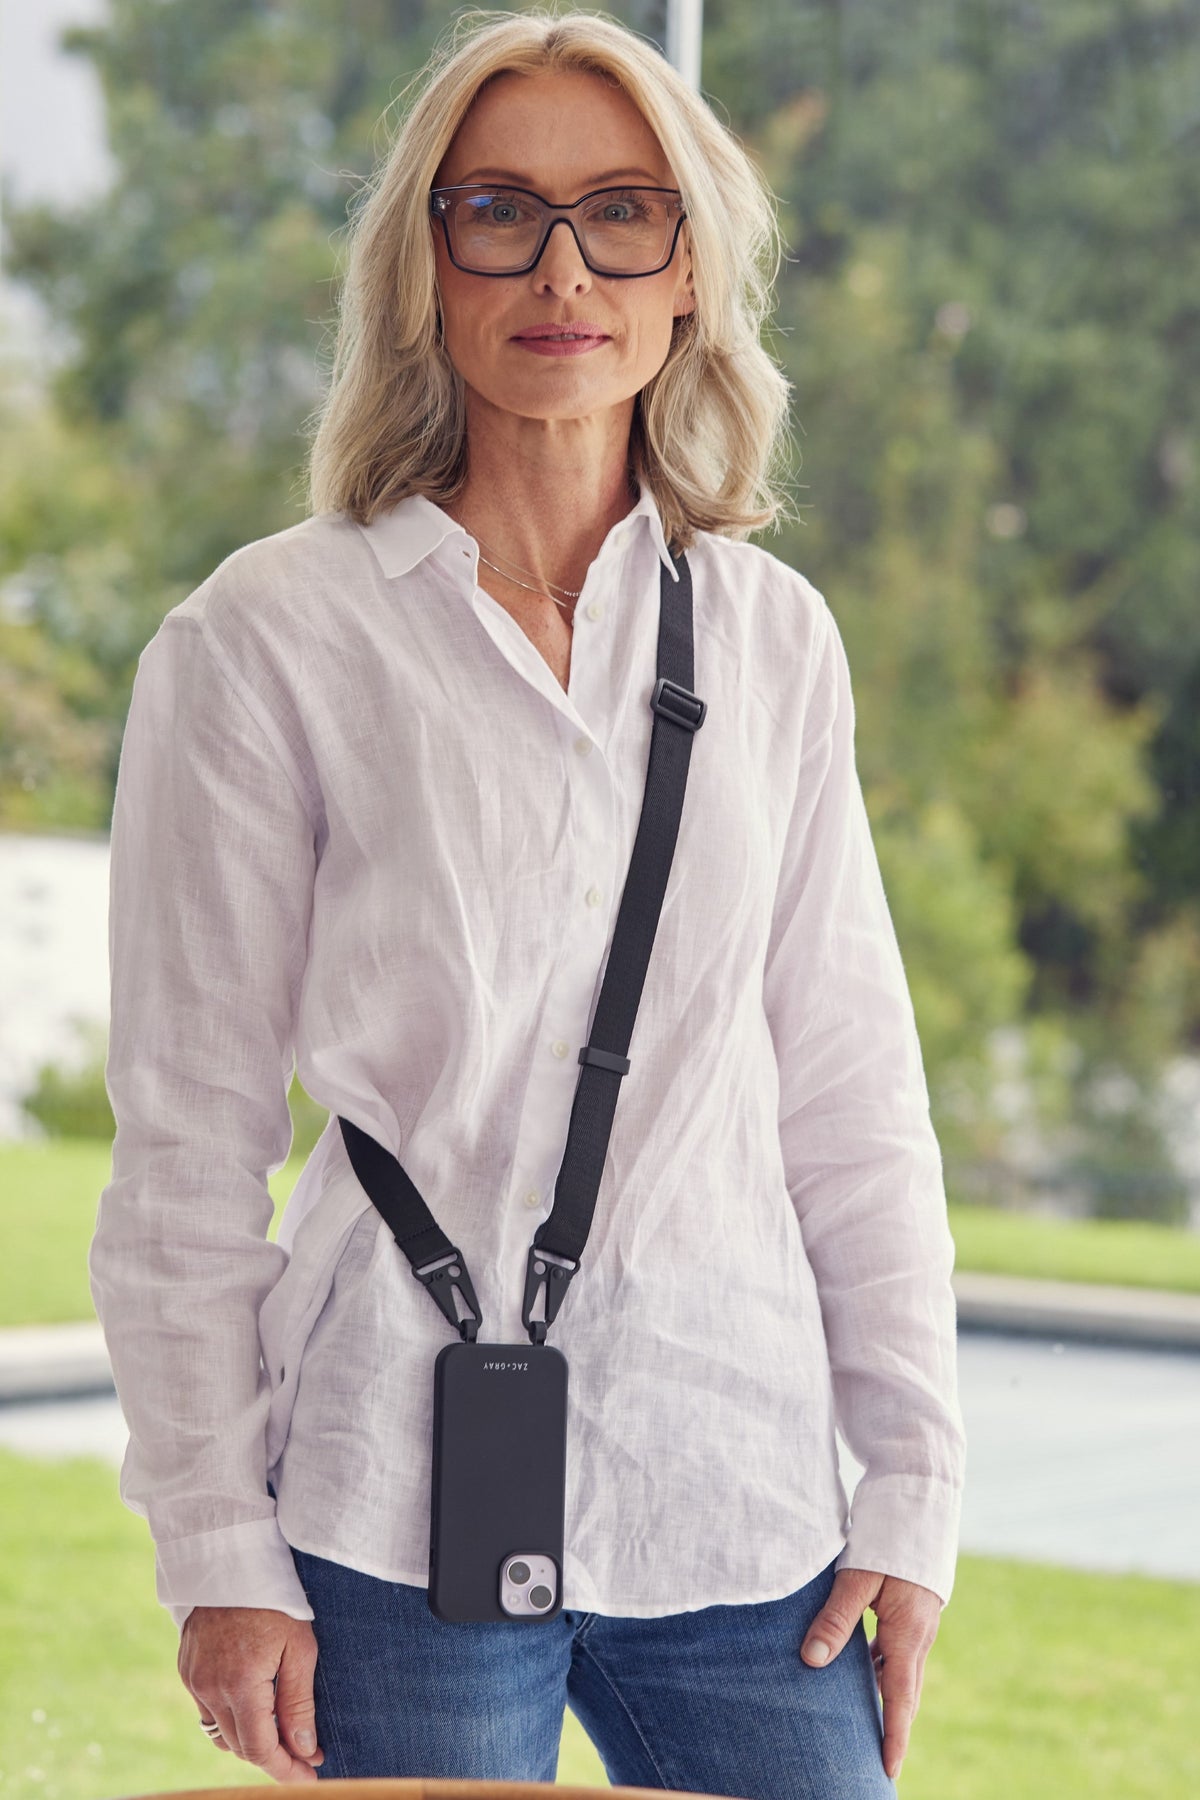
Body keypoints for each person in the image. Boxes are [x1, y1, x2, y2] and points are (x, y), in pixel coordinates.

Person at [90, 9, 965, 1794]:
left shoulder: (772, 639)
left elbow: (854, 1095)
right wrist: (217, 1548)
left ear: (690, 268)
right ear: (425, 265)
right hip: (388, 1505)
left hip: (739, 1498)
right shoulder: (266, 639)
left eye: (622, 212)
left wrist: (913, 1485)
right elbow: (186, 1137)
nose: (564, 270)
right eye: (499, 211)